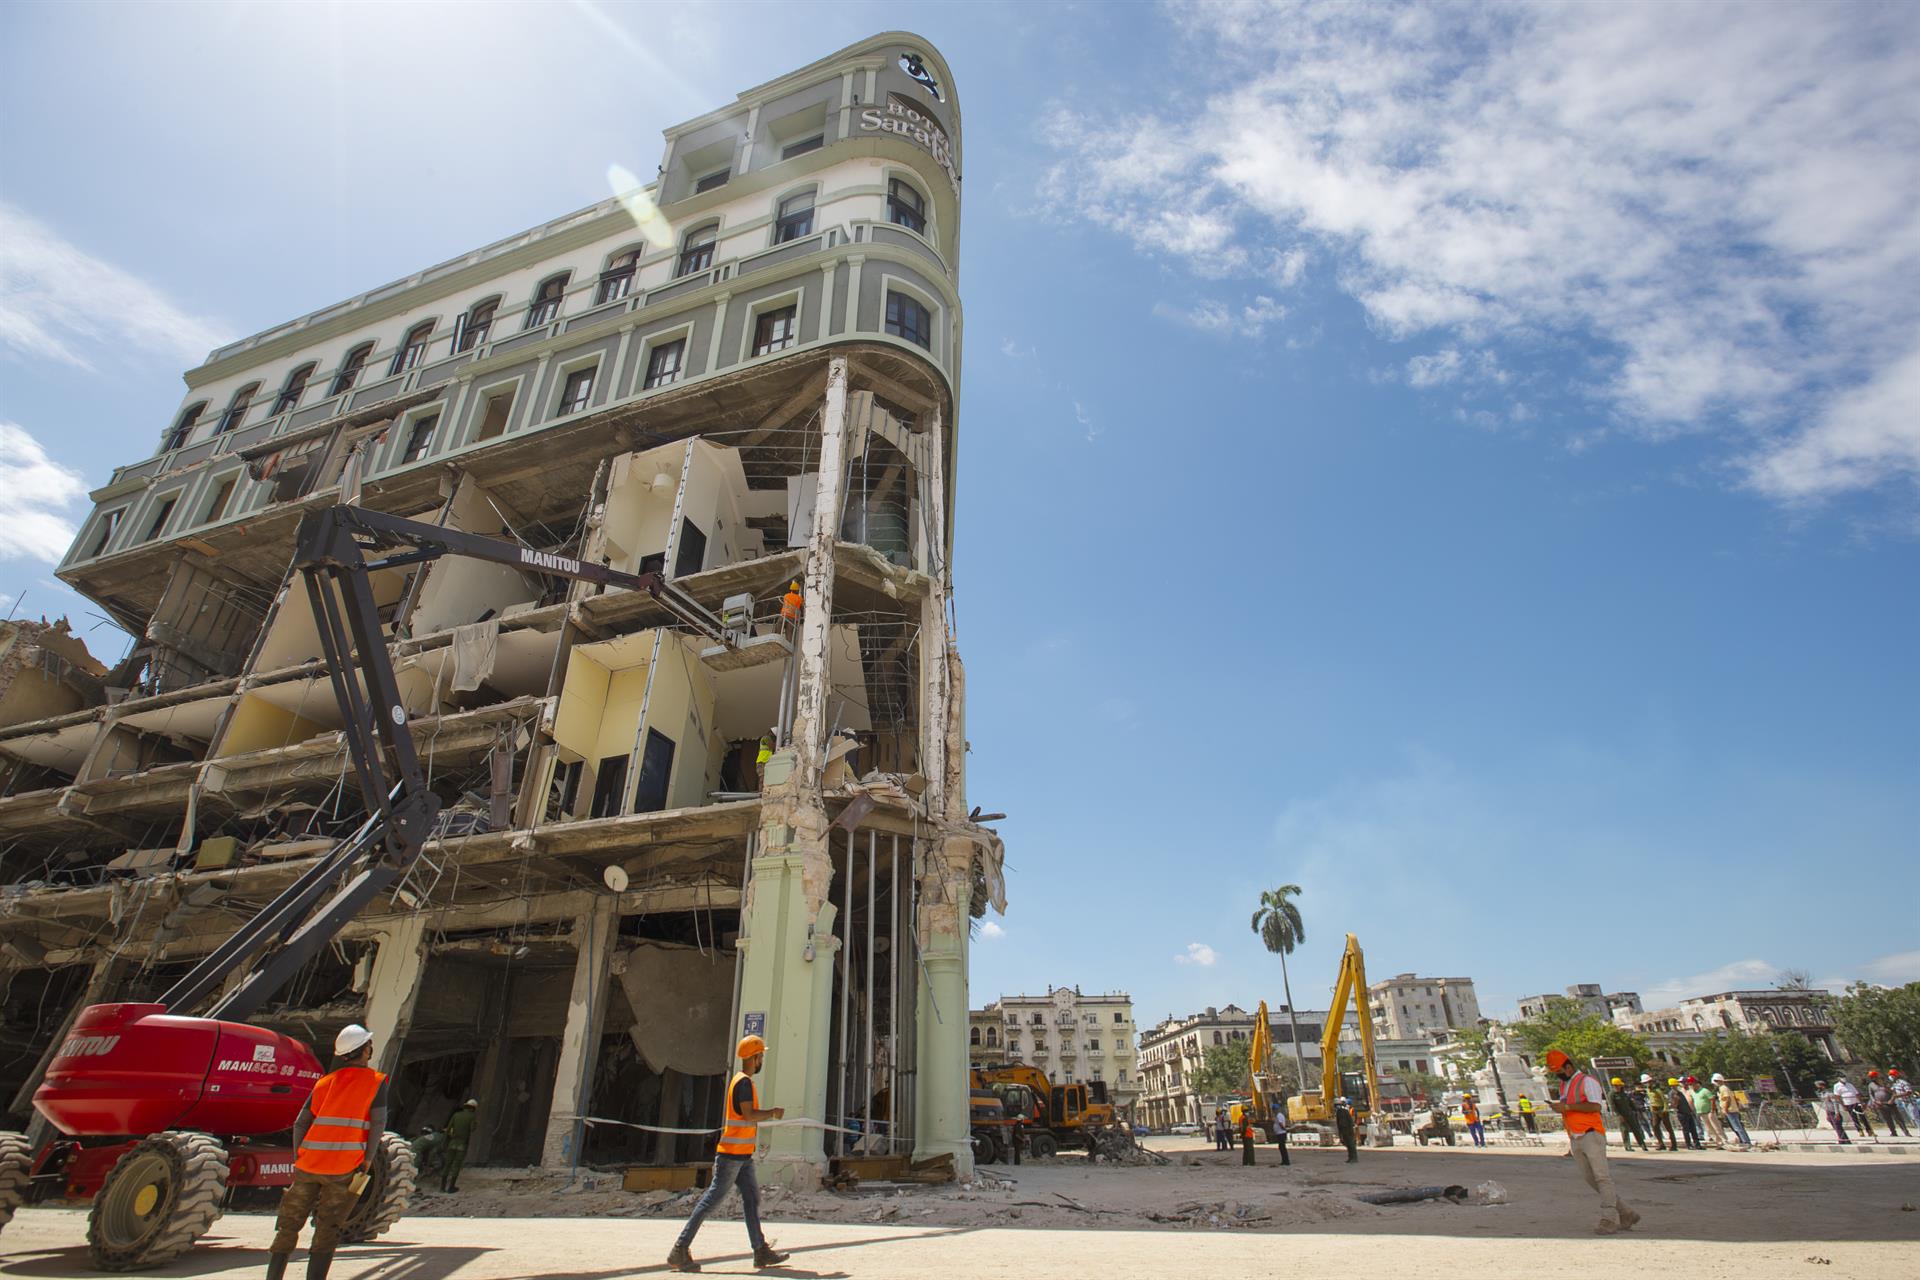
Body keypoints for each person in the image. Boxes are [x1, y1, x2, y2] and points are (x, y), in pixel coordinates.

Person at [266, 1024, 389, 1280]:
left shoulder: (324, 1082)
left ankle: (274, 1276)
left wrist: (299, 1155)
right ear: (365, 1050)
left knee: (288, 1225)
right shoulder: (375, 1083)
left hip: (309, 1165)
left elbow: (301, 1122)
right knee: (328, 1228)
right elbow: (378, 1124)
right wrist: (367, 1159)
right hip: (344, 1167)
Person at [668, 1035, 789, 1273]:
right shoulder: (743, 1083)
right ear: (754, 1057)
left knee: (752, 1200)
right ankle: (679, 1250)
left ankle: (760, 1250)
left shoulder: (743, 1081)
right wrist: (772, 1112)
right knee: (710, 1202)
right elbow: (748, 1115)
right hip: (731, 1157)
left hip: (742, 1157)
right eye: (761, 1055)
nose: (762, 1059)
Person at [1547, 1048, 1641, 1236]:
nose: (1558, 1075)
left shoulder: (1587, 1081)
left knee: (1602, 1178)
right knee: (1590, 1179)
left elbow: (1595, 1106)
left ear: (1568, 1067)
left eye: (1559, 1071)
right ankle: (1626, 1212)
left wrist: (1566, 1107)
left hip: (1591, 1134)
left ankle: (1609, 1219)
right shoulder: (1564, 1085)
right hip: (1575, 1135)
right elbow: (1569, 1106)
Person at [440, 1098, 477, 1192]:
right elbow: (472, 1129)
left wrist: (444, 1142)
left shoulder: (456, 1115)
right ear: (473, 1108)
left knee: (447, 1164)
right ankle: (451, 1187)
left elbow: (448, 1129)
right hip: (461, 1144)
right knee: (456, 1165)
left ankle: (442, 1187)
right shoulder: (472, 1116)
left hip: (452, 1143)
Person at [1608, 1077, 1649, 1151]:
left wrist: (1635, 1109)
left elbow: (1630, 1102)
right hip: (1621, 1115)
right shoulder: (1612, 1094)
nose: (1619, 1087)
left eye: (1620, 1085)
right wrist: (1618, 1115)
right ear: (1614, 1086)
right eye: (1617, 1085)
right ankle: (1627, 1146)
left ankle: (1642, 1144)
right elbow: (1612, 1106)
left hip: (1630, 1114)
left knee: (1636, 1129)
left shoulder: (1623, 1093)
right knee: (1625, 1130)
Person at [1867, 1071, 1912, 1136]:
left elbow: (1893, 1092)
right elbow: (1871, 1094)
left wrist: (1891, 1098)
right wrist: (1875, 1101)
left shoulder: (1885, 1082)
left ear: (1876, 1076)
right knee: (1887, 1119)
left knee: (1898, 1118)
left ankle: (1906, 1132)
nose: (1872, 1078)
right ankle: (1893, 1132)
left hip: (1890, 1103)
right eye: (1871, 1077)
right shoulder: (1871, 1085)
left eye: (1873, 1077)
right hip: (1880, 1104)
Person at [1713, 1074, 1751, 1147]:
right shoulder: (1724, 1088)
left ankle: (1745, 1141)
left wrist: (1725, 1109)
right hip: (1732, 1109)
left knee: (1737, 1127)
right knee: (1736, 1126)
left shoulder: (1723, 1088)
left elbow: (1727, 1099)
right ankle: (1744, 1140)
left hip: (1731, 1110)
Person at [1641, 1074, 1677, 1151]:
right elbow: (1651, 1099)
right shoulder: (1648, 1090)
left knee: (1668, 1127)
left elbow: (1664, 1099)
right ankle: (1661, 1144)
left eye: (1648, 1082)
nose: (1647, 1084)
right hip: (1654, 1110)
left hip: (1661, 1109)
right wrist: (1651, 1108)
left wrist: (1665, 1109)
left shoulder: (1657, 1089)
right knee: (1655, 1126)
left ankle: (1674, 1144)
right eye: (1645, 1083)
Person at [1834, 1075, 1875, 1140]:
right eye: (1842, 1077)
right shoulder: (1837, 1086)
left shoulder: (1849, 1084)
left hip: (1856, 1102)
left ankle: (1869, 1130)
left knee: (1863, 1117)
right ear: (1838, 1078)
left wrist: (1862, 1102)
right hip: (1848, 1103)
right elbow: (1837, 1097)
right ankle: (1860, 1131)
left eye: (1844, 1077)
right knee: (1854, 1118)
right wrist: (1843, 1105)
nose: (1843, 1078)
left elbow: (1857, 1093)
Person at [1669, 1077, 1703, 1150]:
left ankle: (1697, 1144)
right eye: (1674, 1085)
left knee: (1693, 1129)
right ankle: (1689, 1144)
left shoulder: (1679, 1092)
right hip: (1681, 1113)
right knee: (1686, 1129)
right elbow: (1673, 1105)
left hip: (1688, 1112)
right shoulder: (1672, 1093)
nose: (1676, 1086)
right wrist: (1676, 1101)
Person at [1690, 1076, 1725, 1148]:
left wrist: (1712, 1110)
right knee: (1709, 1129)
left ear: (1697, 1084)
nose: (1691, 1086)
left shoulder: (1704, 1091)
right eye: (1690, 1085)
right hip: (1701, 1113)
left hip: (1709, 1112)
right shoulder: (1693, 1093)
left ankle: (1724, 1141)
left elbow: (1712, 1099)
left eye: (1692, 1084)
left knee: (1716, 1127)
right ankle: (1718, 1143)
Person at [1334, 1096, 1359, 1163]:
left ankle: (1354, 1158)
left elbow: (1350, 1120)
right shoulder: (1339, 1112)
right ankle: (1350, 1158)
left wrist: (1351, 1128)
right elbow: (1339, 1123)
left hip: (1348, 1130)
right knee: (1348, 1144)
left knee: (1350, 1144)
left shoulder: (1344, 1111)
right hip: (1344, 1130)